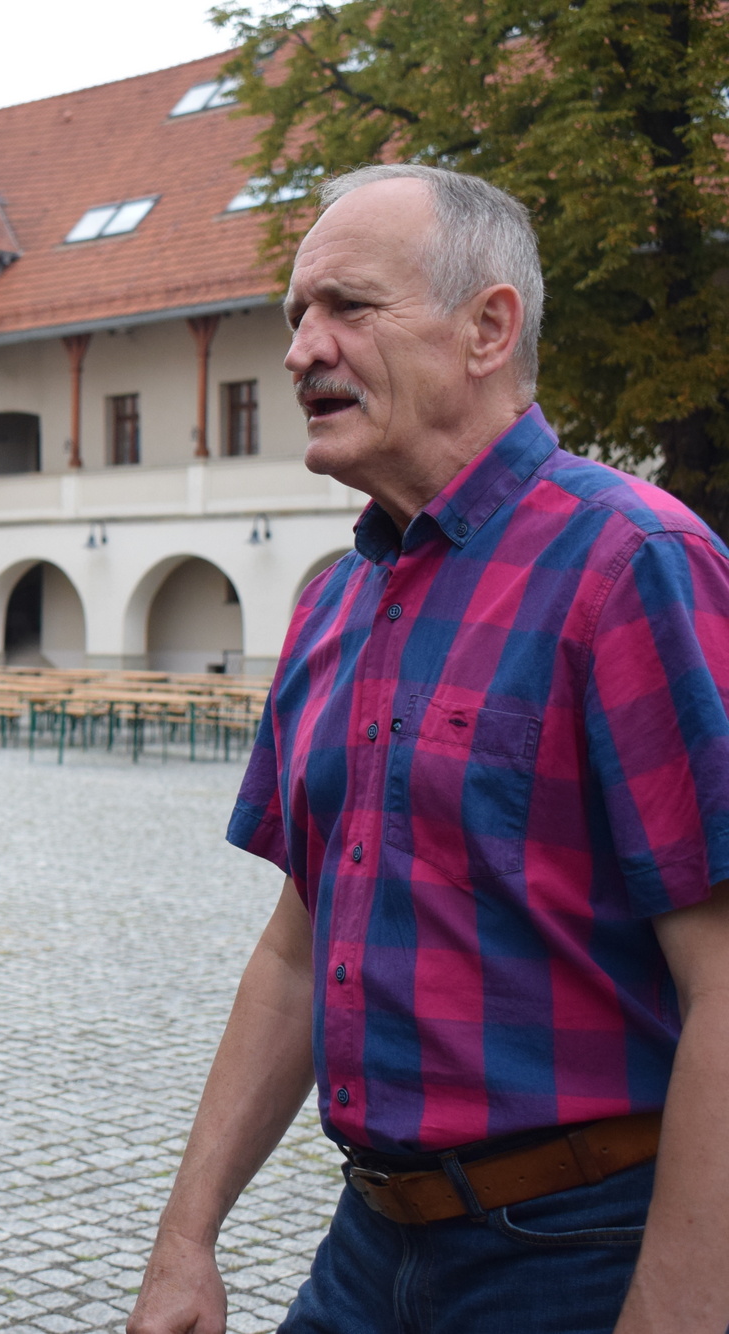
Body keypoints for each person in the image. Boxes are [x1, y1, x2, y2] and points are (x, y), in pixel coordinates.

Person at [127, 165, 729, 1334]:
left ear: (486, 328)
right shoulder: (333, 605)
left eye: (346, 306)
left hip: (583, 1245)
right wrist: (184, 1236)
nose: (301, 348)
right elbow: (298, 949)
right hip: (371, 1242)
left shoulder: (633, 563)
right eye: (295, 314)